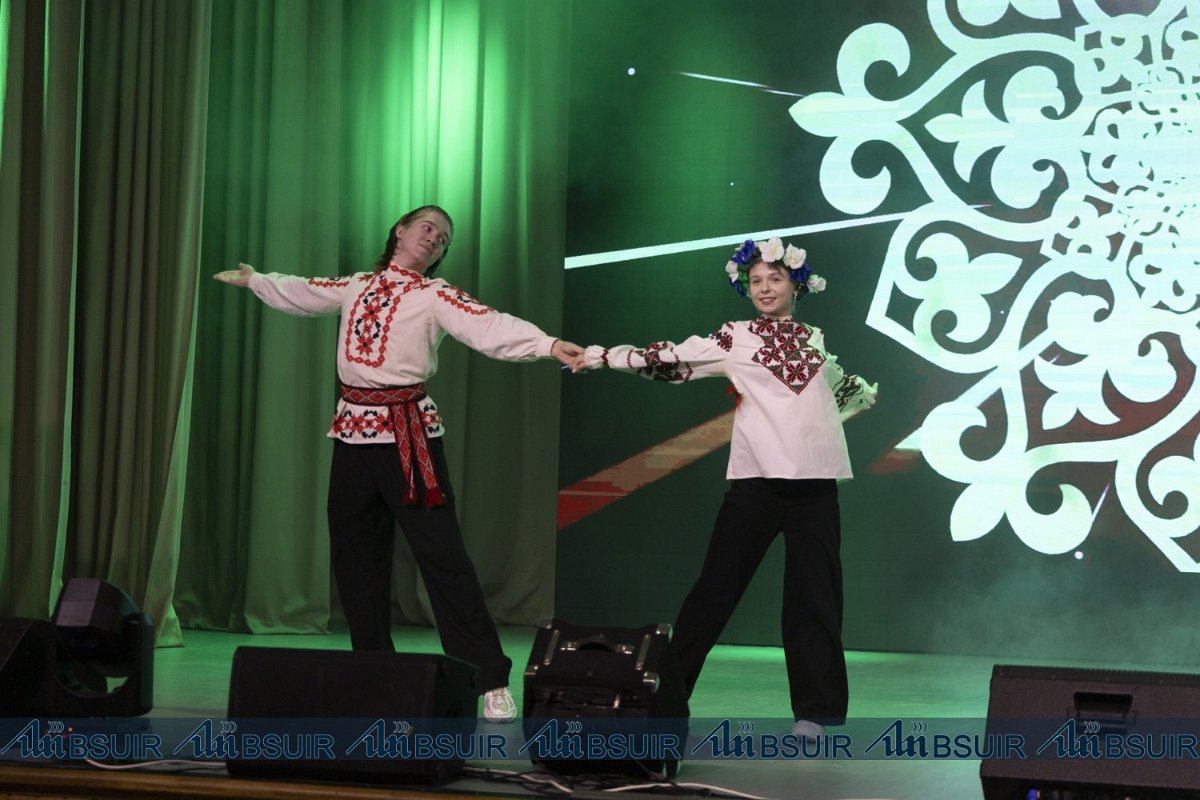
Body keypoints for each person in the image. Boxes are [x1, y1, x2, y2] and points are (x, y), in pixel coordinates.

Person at [214, 204, 581, 723]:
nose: (434, 238)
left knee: (443, 557)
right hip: (353, 433)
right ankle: (373, 672)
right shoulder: (356, 285)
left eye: (443, 237)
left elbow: (488, 324)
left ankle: (489, 679)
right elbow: (305, 291)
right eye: (427, 228)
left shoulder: (435, 295)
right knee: (356, 556)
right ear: (401, 231)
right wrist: (258, 280)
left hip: (409, 437)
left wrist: (546, 344)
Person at [573, 236, 877, 739]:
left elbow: (837, 385)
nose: (765, 288)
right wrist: (604, 356)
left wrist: (861, 393)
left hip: (816, 484)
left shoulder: (814, 339)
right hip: (757, 483)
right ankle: (663, 703)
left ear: (796, 285)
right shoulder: (735, 337)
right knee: (713, 593)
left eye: (775, 278)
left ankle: (816, 712)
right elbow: (670, 357)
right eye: (756, 281)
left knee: (816, 598)